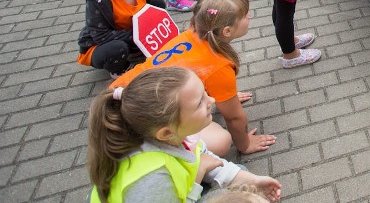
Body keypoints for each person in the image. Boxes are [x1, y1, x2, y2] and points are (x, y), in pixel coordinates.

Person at [111, 0, 278, 156]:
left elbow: (200, 76)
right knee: (221, 141)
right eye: (243, 15)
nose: (248, 16)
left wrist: (226, 97)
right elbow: (235, 118)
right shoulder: (218, 67)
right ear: (226, 31)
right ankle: (159, 152)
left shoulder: (192, 34)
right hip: (134, 121)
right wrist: (245, 144)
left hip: (118, 94)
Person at [89, 67, 281, 202]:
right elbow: (203, 162)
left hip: (179, 191)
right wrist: (198, 175)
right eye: (199, 102)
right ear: (166, 132)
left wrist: (255, 181)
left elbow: (207, 159)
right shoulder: (151, 181)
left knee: (243, 178)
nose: (212, 100)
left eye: (205, 92)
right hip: (170, 194)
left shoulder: (177, 134)